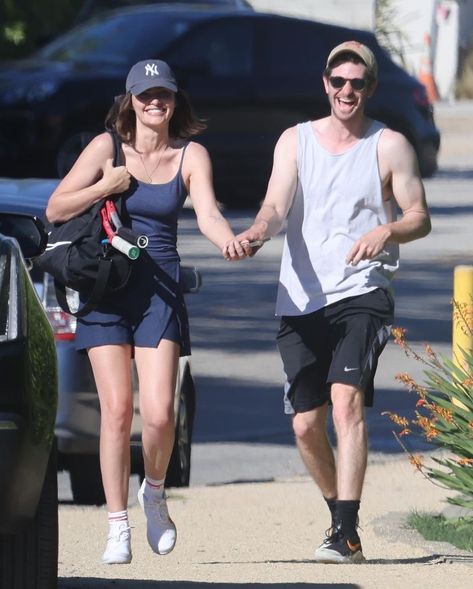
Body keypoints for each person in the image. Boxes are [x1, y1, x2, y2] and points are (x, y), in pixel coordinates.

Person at [223, 41, 431, 563]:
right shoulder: (295, 142)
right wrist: (258, 231)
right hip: (300, 296)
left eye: (357, 83)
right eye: (338, 82)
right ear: (325, 84)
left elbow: (419, 216)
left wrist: (387, 230)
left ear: (370, 88)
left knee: (346, 402)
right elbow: (275, 204)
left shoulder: (390, 145)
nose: (346, 91)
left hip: (362, 291)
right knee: (303, 425)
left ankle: (345, 530)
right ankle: (341, 521)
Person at [46, 59, 246, 564]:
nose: (155, 102)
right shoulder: (106, 148)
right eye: (146, 94)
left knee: (158, 415)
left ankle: (152, 493)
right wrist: (105, 186)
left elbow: (208, 213)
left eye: (165, 94)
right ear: (129, 99)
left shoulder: (190, 155)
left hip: (159, 290)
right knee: (115, 412)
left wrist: (230, 242)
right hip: (106, 289)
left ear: (175, 100)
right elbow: (55, 209)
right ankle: (117, 526)